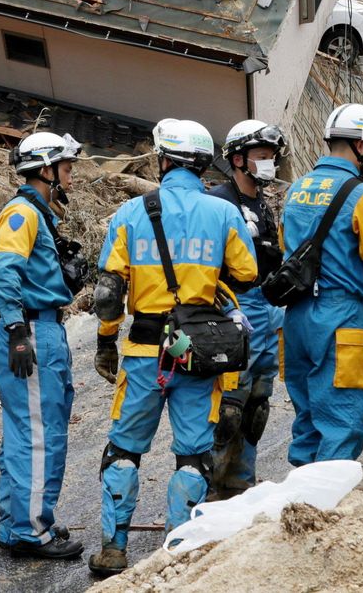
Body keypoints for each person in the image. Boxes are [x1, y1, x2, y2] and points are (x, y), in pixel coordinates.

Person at [89, 120, 257, 577]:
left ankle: (113, 550)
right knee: (193, 455)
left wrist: (106, 343)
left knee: (123, 450)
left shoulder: (129, 214)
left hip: (145, 352)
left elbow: (107, 293)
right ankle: (176, 551)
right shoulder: (223, 213)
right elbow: (247, 273)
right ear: (202, 164)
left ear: (164, 161)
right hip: (199, 353)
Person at [280, 105, 363, 465]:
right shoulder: (362, 195)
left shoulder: (297, 189)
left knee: (306, 420)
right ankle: (326, 510)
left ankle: (300, 506)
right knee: (341, 424)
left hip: (296, 316)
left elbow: (285, 249)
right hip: (339, 319)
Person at [0, 132, 87, 560]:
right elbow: (3, 271)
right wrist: (16, 331)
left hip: (41, 328)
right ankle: (32, 531)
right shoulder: (22, 213)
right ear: (45, 169)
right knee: (38, 437)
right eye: (65, 168)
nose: (70, 175)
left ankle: (18, 524)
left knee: (26, 433)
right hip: (31, 330)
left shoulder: (39, 214)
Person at [206, 120, 287, 498]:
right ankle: (210, 486)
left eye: (272, 157)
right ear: (238, 159)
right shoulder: (220, 202)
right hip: (235, 305)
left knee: (258, 402)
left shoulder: (262, 203)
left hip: (267, 305)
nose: (269, 164)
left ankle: (241, 484)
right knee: (230, 406)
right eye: (261, 157)